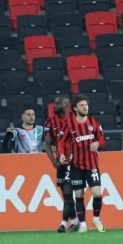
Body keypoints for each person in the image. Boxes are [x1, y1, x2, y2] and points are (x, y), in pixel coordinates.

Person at [57, 94, 107, 233]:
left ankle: (96, 218)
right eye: (81, 105)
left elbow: (102, 139)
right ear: (75, 108)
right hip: (76, 166)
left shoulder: (93, 122)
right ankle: (83, 224)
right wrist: (61, 154)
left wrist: (97, 143)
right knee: (78, 195)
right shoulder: (69, 124)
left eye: (86, 105)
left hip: (92, 165)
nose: (85, 107)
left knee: (97, 193)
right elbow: (61, 141)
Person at [45, 97, 79, 233]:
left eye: (58, 103)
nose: (55, 106)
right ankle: (73, 222)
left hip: (74, 161)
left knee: (67, 191)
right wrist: (53, 161)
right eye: (54, 103)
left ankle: (65, 223)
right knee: (66, 195)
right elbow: (47, 143)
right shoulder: (50, 121)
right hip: (61, 161)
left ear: (67, 105)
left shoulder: (75, 119)